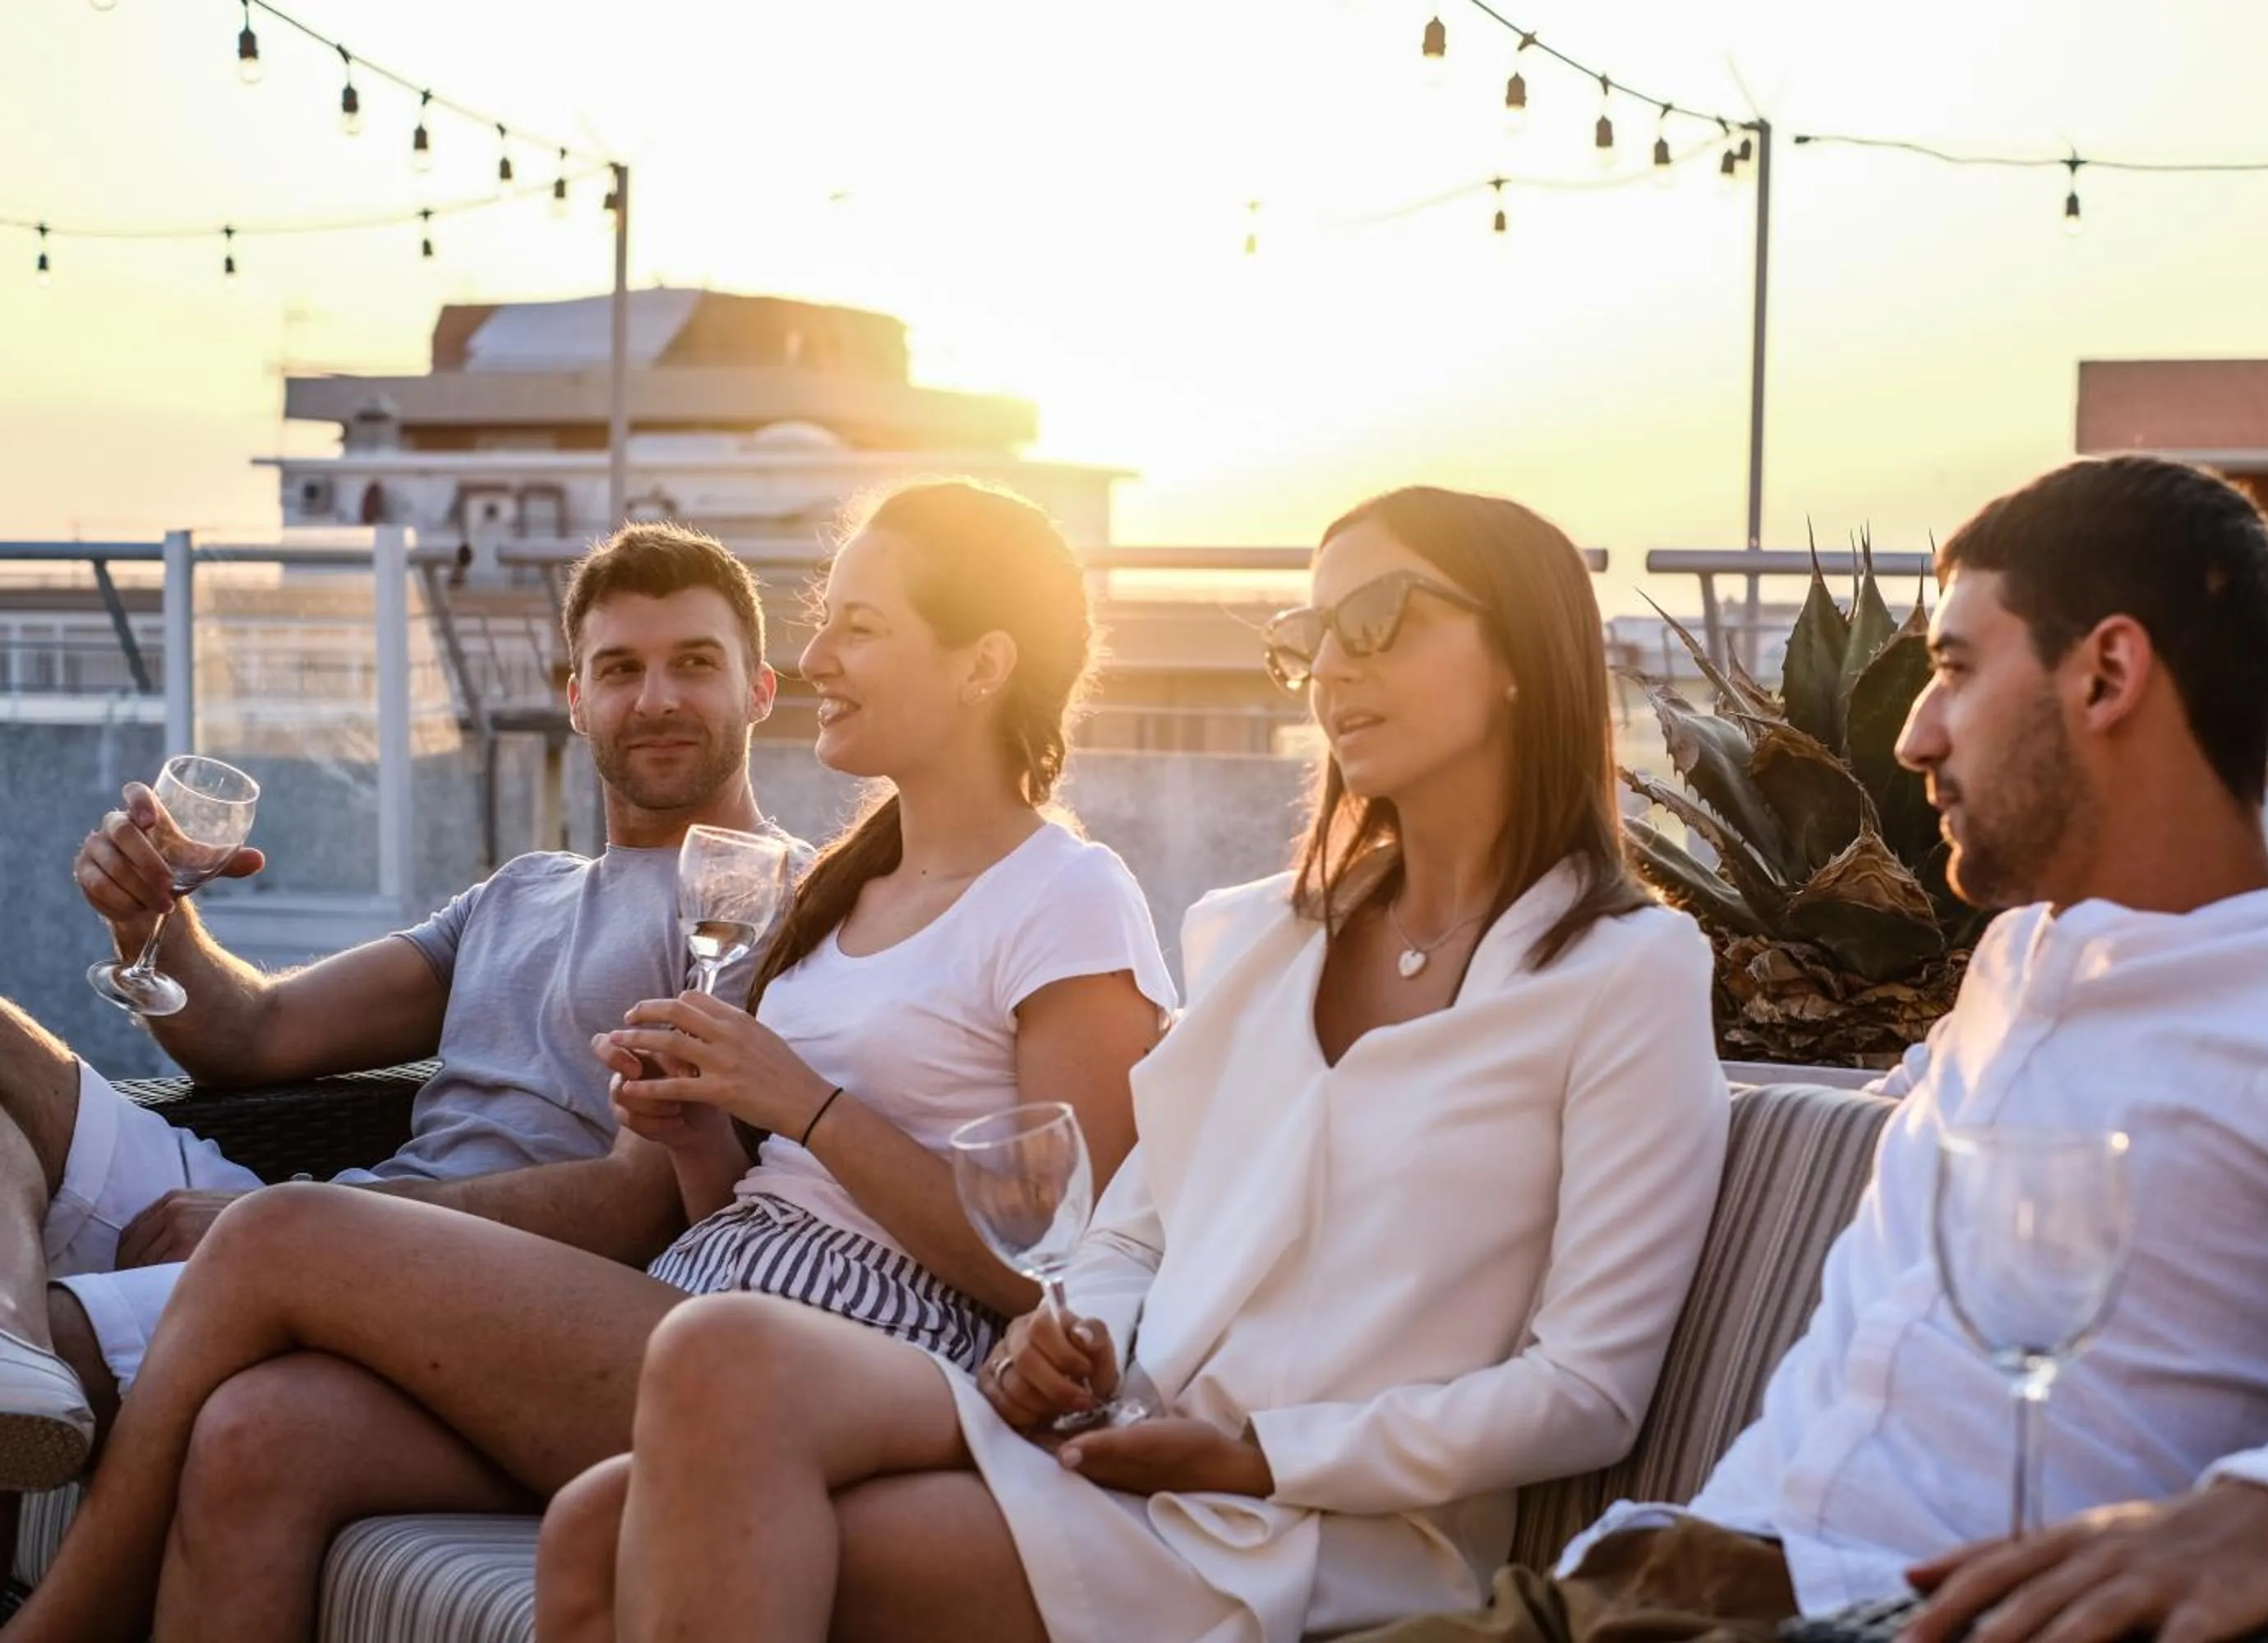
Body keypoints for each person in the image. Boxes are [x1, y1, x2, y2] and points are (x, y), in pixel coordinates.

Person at [528, 485, 1734, 1643]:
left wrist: (1257, 1454)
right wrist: (1071, 1338)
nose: (1331, 667)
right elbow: (1131, 1230)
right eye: (1309, 634)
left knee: (632, 1512)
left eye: (1376, 622)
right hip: (1121, 1434)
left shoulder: (1626, 975)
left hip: (1311, 1527)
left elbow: (1587, 1387)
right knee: (680, 1397)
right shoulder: (1260, 935)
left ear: (1519, 651)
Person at [0, 478, 1176, 1643]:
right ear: (574, 696)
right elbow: (730, 1196)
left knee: (271, 1231)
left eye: (856, 627)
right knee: (266, 1430)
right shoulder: (849, 891)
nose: (821, 655)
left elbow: (1069, 1262)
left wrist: (802, 1105)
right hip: (701, 1293)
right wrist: (701, 1134)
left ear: (982, 664)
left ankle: (56, 1627)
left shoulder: (1061, 895)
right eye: (822, 620)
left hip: (840, 1358)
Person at [1344, 455, 2268, 1643]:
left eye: (1956, 670)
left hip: (1880, 1612)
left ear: (2108, 675)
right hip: (1638, 1583)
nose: (1919, 736)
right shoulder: (2010, 974)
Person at [0, 521, 794, 1548]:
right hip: (312, 1221)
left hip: (437, 1288)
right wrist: (158, 923)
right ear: (576, 699)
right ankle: (11, 1343)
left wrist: (313, 1232)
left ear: (760, 691)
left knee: (72, 1345)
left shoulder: (765, 903)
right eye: (620, 668)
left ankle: (34, 1354)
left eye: (695, 664)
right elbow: (256, 1031)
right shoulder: (519, 890)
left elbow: (633, 1206)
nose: (655, 699)